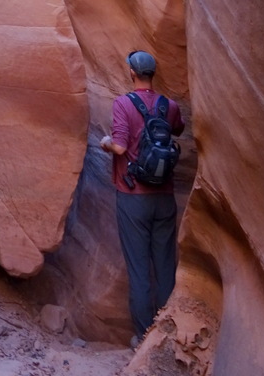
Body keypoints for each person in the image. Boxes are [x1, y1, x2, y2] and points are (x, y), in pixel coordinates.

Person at [100, 50, 184, 348]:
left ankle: (144, 339)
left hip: (133, 195)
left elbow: (120, 147)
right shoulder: (169, 106)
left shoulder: (123, 104)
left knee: (139, 269)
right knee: (164, 266)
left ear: (132, 73)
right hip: (164, 197)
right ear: (153, 73)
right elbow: (178, 128)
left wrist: (105, 142)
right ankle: (168, 335)